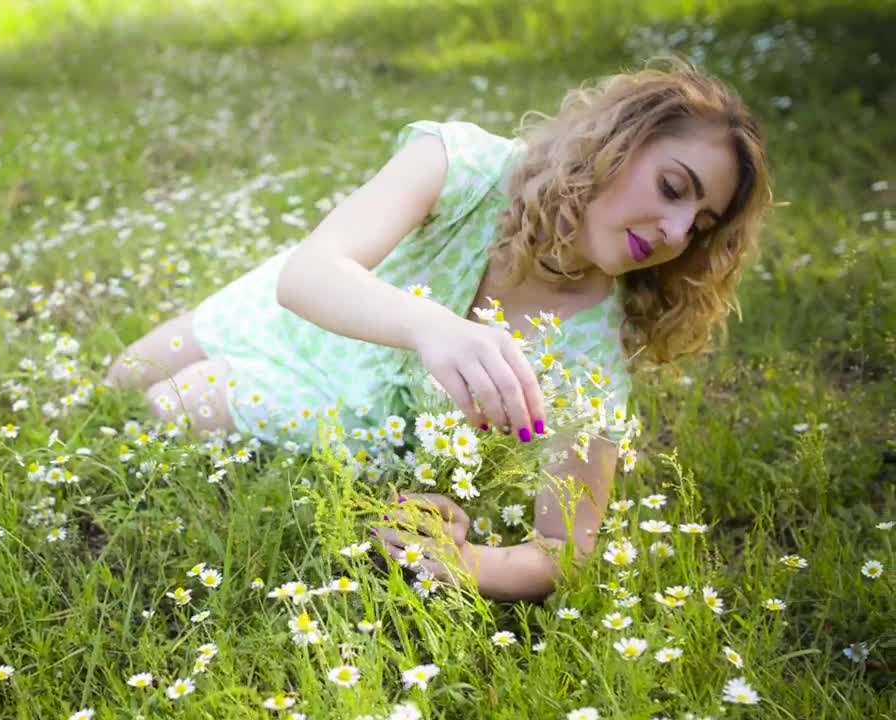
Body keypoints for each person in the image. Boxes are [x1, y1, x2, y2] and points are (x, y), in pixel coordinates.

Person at [104, 55, 773, 600]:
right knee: (118, 384)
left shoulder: (589, 354)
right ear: (617, 144)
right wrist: (437, 328)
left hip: (351, 414)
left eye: (701, 226)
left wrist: (466, 561)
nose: (677, 232)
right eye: (673, 187)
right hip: (308, 314)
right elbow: (308, 275)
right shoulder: (465, 166)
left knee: (176, 404)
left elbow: (566, 550)